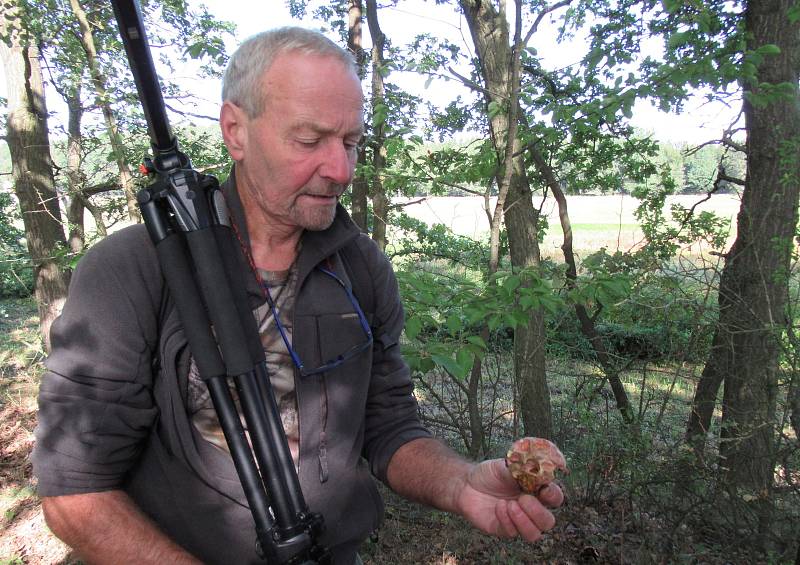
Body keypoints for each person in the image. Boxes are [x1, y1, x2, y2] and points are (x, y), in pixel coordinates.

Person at [32, 27, 564, 565]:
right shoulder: (134, 269)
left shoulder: (360, 267)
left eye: (351, 143)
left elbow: (388, 426)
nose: (340, 171)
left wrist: (461, 483)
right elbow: (75, 492)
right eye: (309, 141)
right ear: (235, 131)